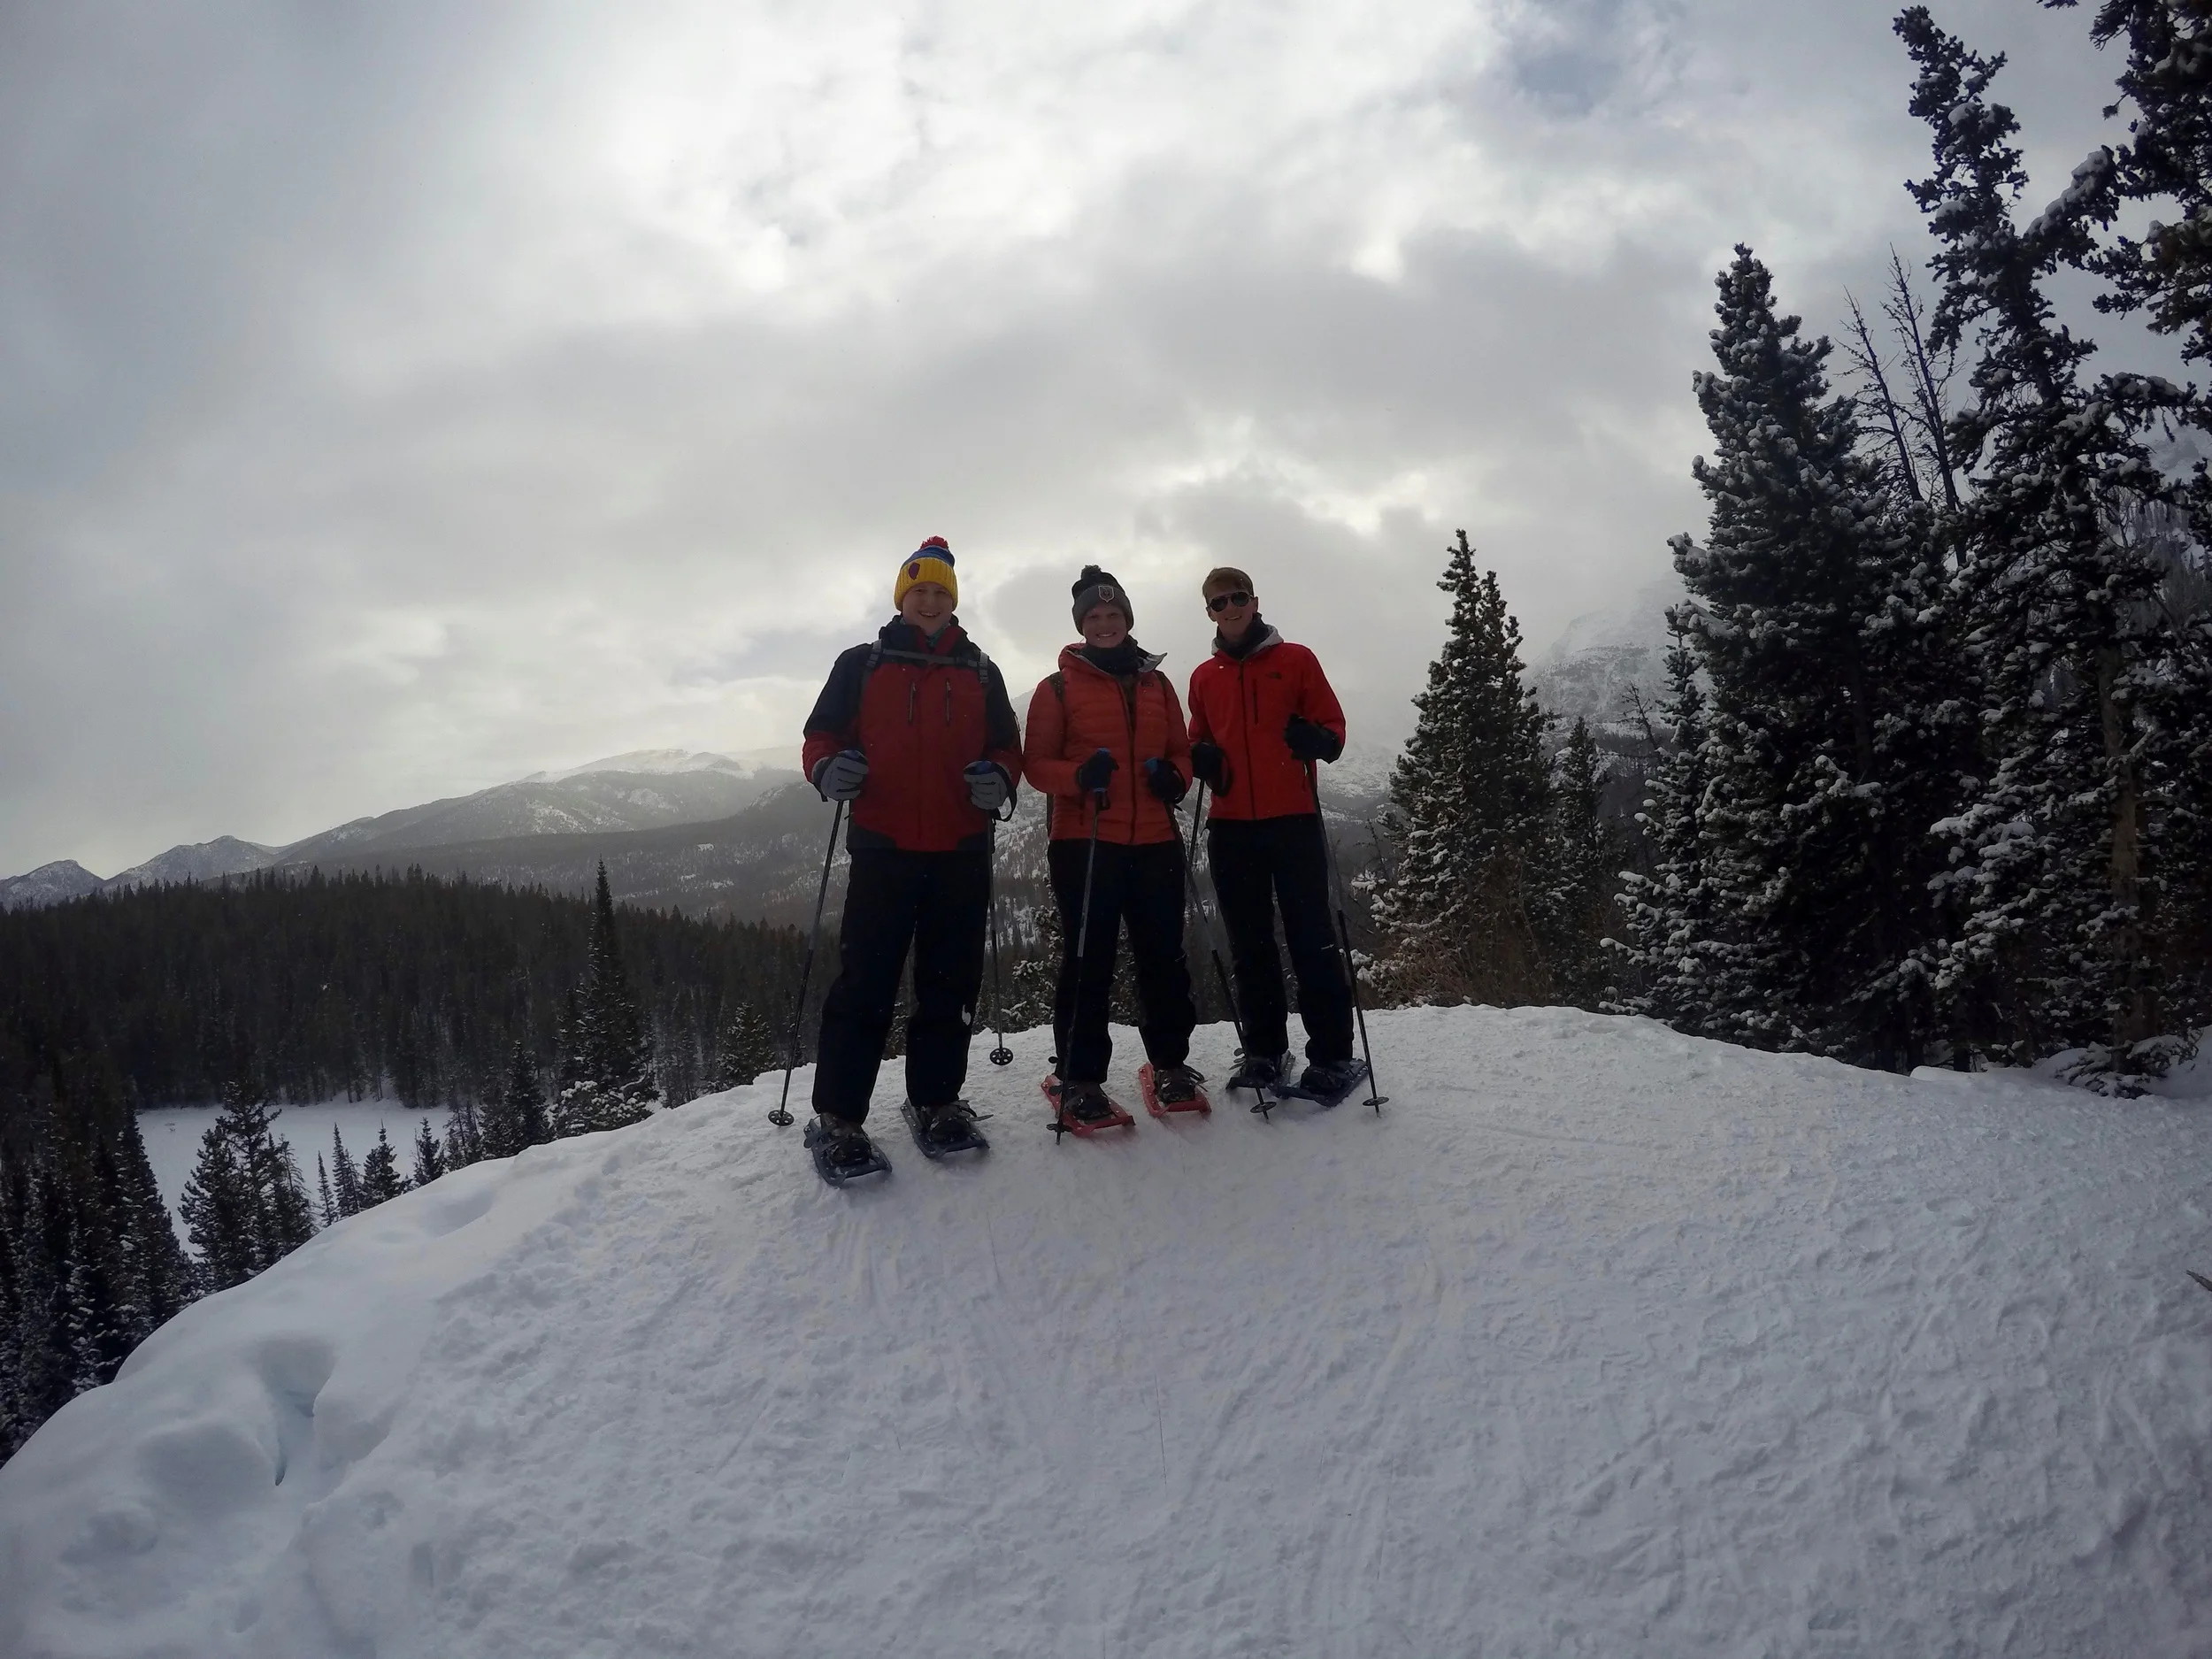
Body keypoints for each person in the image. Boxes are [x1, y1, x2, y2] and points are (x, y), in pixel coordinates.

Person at [799, 536, 1022, 1172]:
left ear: (953, 601)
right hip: (884, 846)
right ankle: (839, 1117)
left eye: (939, 592)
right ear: (902, 597)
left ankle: (937, 1101)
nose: (929, 601)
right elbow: (820, 735)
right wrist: (826, 769)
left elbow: (1008, 748)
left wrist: (1001, 779)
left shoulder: (981, 670)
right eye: (919, 590)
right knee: (865, 982)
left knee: (950, 983)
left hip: (960, 848)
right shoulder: (860, 664)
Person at [1022, 565, 1202, 1122]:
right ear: (1081, 624)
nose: (1105, 623)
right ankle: (1079, 1076)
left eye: (1114, 614)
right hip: (1086, 839)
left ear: (1127, 619)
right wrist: (1079, 776)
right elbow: (1036, 766)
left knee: (1163, 958)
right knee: (1088, 960)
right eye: (1094, 616)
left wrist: (1174, 777)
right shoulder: (1056, 687)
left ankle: (1170, 1064)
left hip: (1155, 838)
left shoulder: (1158, 685)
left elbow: (1181, 751)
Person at [1184, 565, 1358, 1098]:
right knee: (1250, 944)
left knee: (1312, 940)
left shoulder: (1297, 660)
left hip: (1293, 820)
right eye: (1219, 603)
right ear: (1209, 612)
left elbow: (1333, 728)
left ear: (1255, 602)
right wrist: (1200, 757)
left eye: (1237, 598)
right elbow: (1196, 739)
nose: (1230, 608)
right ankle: (1264, 1051)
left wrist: (1318, 741)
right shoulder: (1203, 677)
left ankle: (1332, 1056)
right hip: (1231, 827)